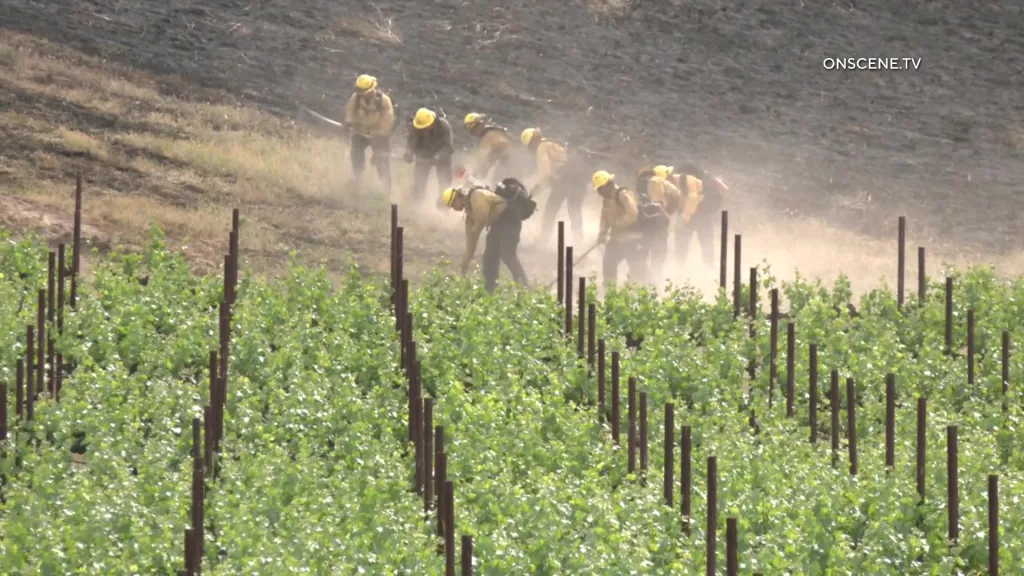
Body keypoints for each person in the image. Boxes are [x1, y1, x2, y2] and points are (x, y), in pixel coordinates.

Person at [442, 179, 533, 293]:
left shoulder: (476, 196)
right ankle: (490, 290)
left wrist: (474, 229)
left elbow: (483, 217)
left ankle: (524, 287)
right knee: (489, 257)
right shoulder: (469, 214)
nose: (453, 209)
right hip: (498, 223)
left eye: (452, 205)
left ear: (456, 198)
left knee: (507, 253)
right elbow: (470, 246)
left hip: (510, 216)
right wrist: (464, 267)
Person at [520, 127, 584, 248]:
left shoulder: (541, 147)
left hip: (565, 179)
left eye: (530, 146)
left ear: (533, 141)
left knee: (551, 210)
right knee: (575, 211)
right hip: (579, 178)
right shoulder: (553, 143)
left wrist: (535, 190)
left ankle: (543, 241)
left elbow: (546, 173)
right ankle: (579, 241)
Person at [655, 163, 726, 269]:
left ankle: (709, 270)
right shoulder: (673, 185)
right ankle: (681, 271)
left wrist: (684, 217)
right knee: (697, 245)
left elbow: (692, 198)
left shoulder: (686, 180)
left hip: (700, 215)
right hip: (701, 216)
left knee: (703, 245)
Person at [593, 170, 648, 287]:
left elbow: (633, 213)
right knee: (609, 262)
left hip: (633, 237)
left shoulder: (623, 194)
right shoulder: (607, 199)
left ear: (608, 185)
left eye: (600, 189)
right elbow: (604, 217)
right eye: (598, 190)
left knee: (636, 267)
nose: (599, 193)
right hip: (617, 238)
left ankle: (646, 290)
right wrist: (602, 233)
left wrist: (619, 224)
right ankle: (610, 290)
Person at [344, 74, 396, 191]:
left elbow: (388, 121)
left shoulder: (384, 101)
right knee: (356, 152)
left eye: (364, 91)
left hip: (379, 135)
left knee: (381, 160)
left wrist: (377, 134)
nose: (362, 93)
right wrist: (351, 123)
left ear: (372, 89)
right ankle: (358, 178)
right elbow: (350, 113)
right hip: (361, 131)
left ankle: (386, 188)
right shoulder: (355, 98)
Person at [635, 165, 681, 284]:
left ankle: (645, 284)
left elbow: (653, 204)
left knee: (643, 257)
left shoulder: (652, 183)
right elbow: (676, 194)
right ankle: (656, 285)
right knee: (658, 259)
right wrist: (668, 211)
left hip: (648, 227)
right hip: (660, 227)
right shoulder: (663, 187)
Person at [404, 108, 454, 204]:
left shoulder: (444, 126)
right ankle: (417, 203)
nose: (424, 129)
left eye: (426, 126)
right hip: (424, 154)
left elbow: (448, 147)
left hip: (443, 155)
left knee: (445, 181)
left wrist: (437, 157)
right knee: (419, 180)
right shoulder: (415, 127)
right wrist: (408, 153)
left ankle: (445, 204)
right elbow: (411, 142)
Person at [463, 113, 514, 182]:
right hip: (509, 163)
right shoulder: (495, 130)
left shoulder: (489, 135)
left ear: (479, 125)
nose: (474, 133)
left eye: (473, 130)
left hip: (508, 165)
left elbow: (485, 158)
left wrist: (475, 176)